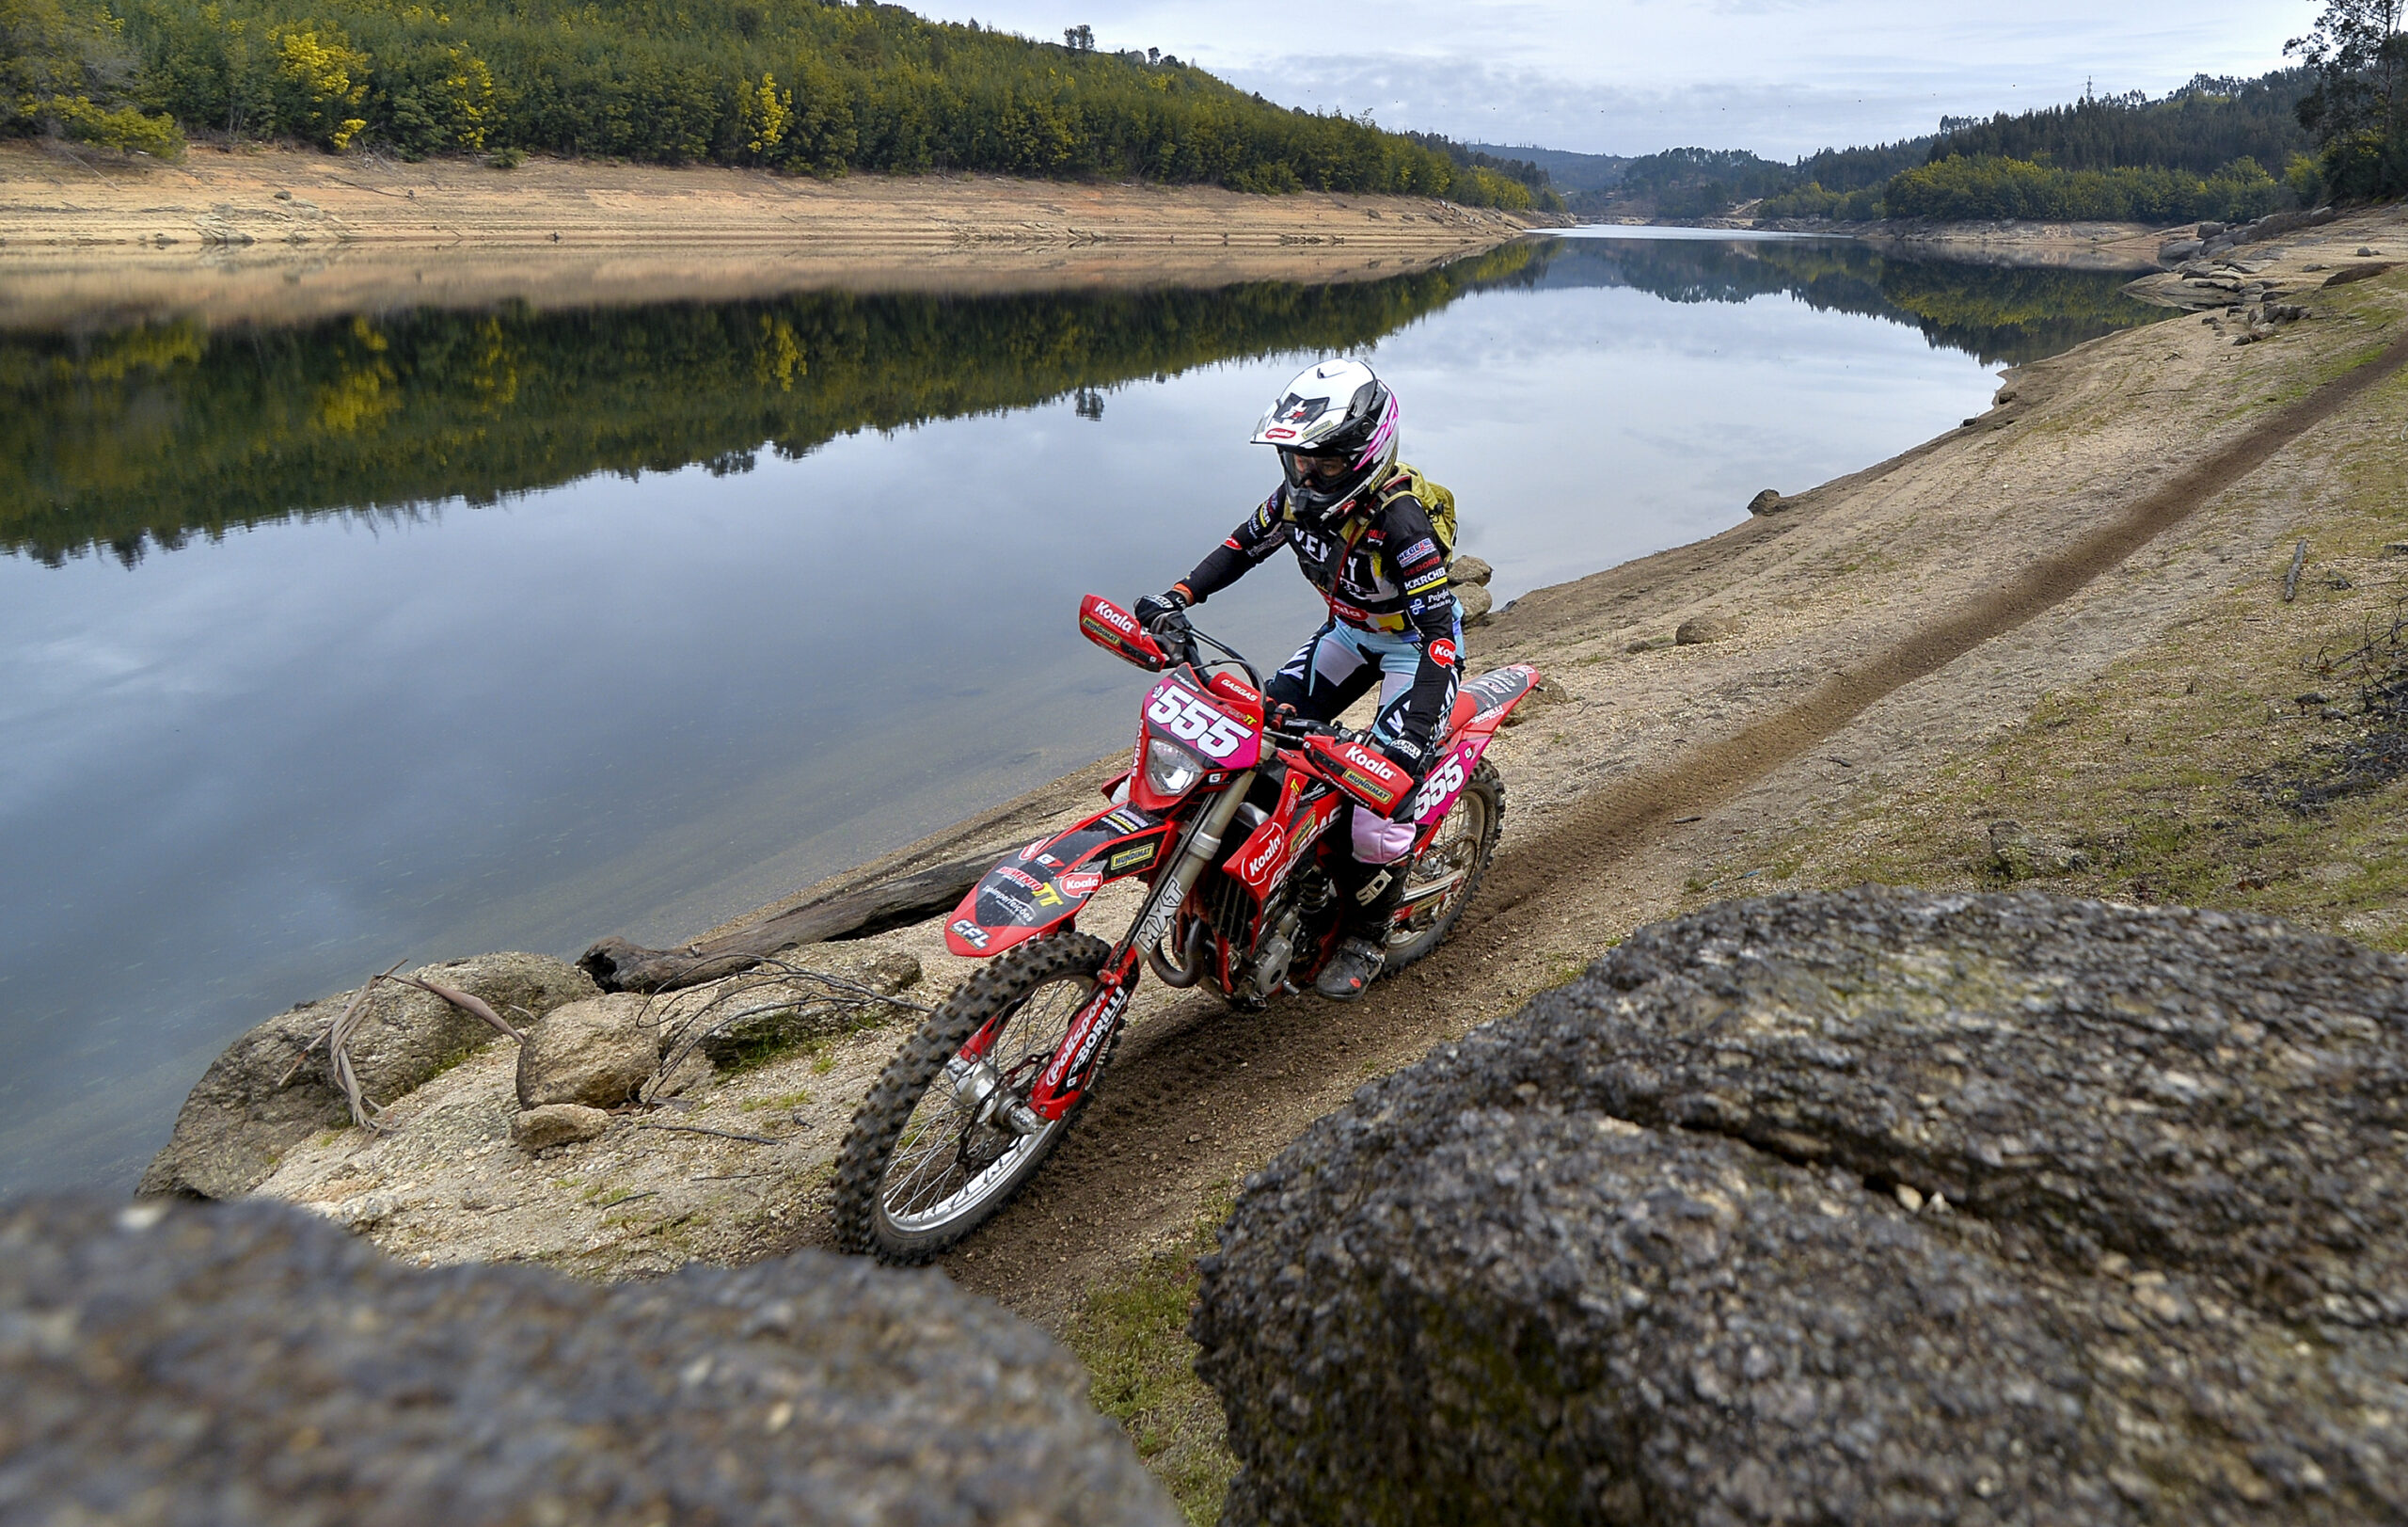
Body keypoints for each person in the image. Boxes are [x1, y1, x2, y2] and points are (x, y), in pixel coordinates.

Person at [1133, 358, 1460, 1001]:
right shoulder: (1293, 501)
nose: (1307, 474)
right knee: (1251, 739)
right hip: (1347, 633)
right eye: (1298, 459)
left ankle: (1367, 933)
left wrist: (1410, 738)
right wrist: (1178, 596)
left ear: (1366, 455)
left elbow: (1439, 636)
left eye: (1325, 462)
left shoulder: (1400, 523)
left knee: (1377, 808)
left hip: (1413, 648)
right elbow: (1240, 548)